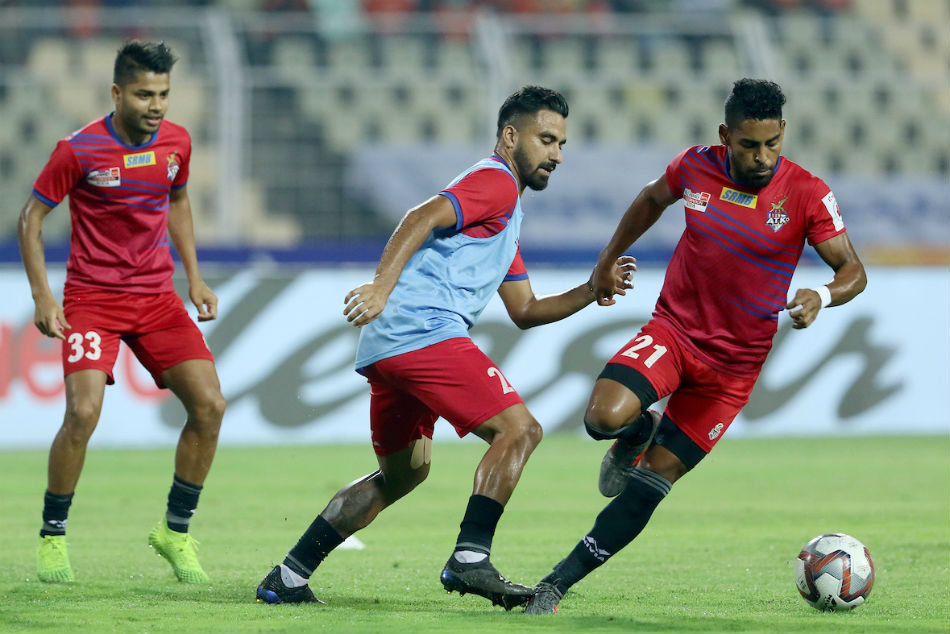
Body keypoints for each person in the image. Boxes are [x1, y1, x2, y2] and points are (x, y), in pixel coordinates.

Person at [255, 85, 635, 609]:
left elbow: (525, 309)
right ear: (510, 136)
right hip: (422, 330)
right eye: (546, 140)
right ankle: (470, 558)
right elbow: (421, 216)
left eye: (561, 144)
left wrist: (593, 289)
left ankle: (288, 577)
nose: (557, 155)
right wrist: (381, 287)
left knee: (403, 474)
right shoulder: (495, 182)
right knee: (520, 430)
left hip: (392, 345)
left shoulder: (505, 216)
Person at [524, 78, 868, 614]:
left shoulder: (806, 193)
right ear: (725, 136)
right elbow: (650, 198)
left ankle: (554, 585)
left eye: (772, 144)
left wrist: (821, 294)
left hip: (732, 373)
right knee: (602, 418)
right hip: (675, 333)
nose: (762, 158)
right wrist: (606, 260)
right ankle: (635, 432)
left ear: (783, 132)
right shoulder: (695, 167)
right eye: (748, 145)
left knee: (651, 484)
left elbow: (853, 271)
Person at [17, 40, 226, 585]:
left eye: (163, 94)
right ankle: (53, 537)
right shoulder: (79, 150)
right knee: (83, 413)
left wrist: (194, 277)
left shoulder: (177, 142)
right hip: (92, 300)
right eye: (143, 95)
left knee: (210, 405)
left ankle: (175, 533)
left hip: (156, 299)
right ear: (117, 93)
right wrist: (42, 296)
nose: (156, 106)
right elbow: (30, 218)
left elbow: (177, 201)